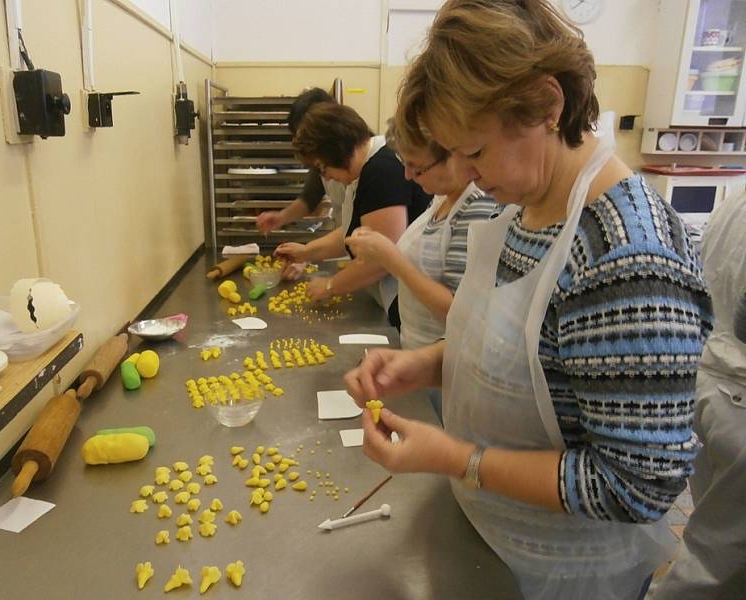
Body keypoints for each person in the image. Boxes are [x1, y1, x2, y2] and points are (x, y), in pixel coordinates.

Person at [344, 1, 713, 599]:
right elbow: (527, 350)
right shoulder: (525, 210)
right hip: (490, 542)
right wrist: (427, 363)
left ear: (546, 104)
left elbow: (637, 486)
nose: (463, 172)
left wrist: (460, 458)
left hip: (565, 573)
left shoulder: (626, 256)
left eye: (476, 152)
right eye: (452, 152)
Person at [346, 119, 497, 418]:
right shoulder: (441, 199)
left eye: (417, 167)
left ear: (454, 155)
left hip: (448, 374)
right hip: (420, 361)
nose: (407, 175)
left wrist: (391, 260)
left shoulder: (476, 207)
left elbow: (457, 312)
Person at [651, 194, 746, 600]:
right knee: (715, 564)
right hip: (737, 393)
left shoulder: (736, 197)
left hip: (709, 378)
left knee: (709, 537)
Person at [276, 102, 431, 328]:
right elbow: (357, 234)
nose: (326, 177)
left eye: (322, 166)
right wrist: (307, 252)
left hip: (415, 305)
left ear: (336, 150)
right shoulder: (367, 170)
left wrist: (331, 285)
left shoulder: (381, 171)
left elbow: (379, 259)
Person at [256, 88, 342, 235]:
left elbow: (367, 234)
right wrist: (280, 218)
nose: (325, 176)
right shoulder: (322, 157)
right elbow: (309, 198)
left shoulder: (375, 164)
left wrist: (307, 251)